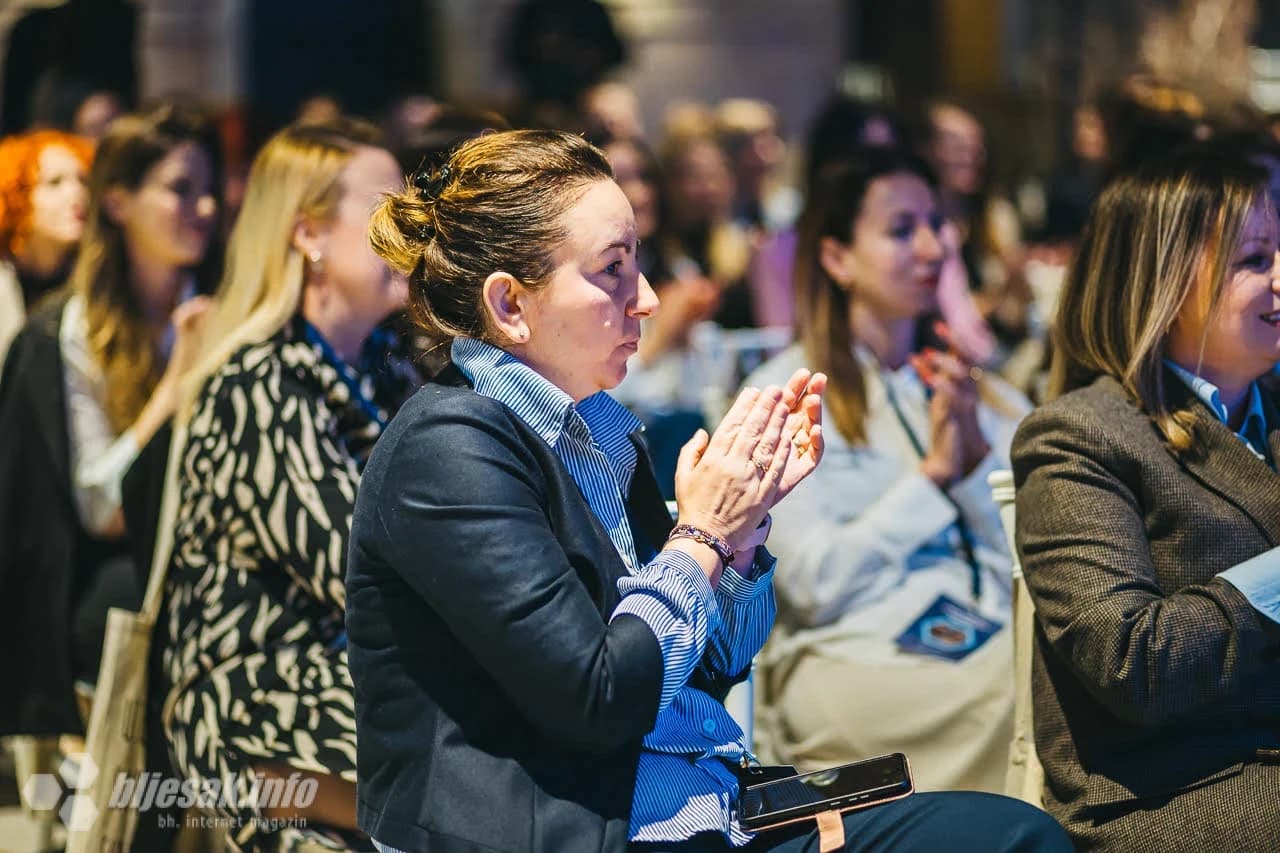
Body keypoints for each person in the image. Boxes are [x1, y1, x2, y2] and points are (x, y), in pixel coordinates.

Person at [346, 129, 1069, 852]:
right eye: (613, 271)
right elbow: (597, 698)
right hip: (582, 827)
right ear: (508, 305)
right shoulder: (450, 448)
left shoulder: (595, 426)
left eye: (641, 265)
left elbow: (709, 668)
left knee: (1012, 831)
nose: (650, 299)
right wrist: (700, 538)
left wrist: (743, 538)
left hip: (703, 802)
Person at [157, 118, 421, 853]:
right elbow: (359, 576)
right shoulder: (256, 384)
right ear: (307, 234)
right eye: (385, 213)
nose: (412, 233)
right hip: (256, 701)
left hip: (359, 680)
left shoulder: (387, 369)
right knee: (484, 760)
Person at [1011, 142, 1280, 850]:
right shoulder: (1080, 437)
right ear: (1161, 282)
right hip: (1179, 788)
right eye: (1256, 259)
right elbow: (1130, 663)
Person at [746, 148, 1029, 793]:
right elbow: (813, 589)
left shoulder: (978, 392)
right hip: (854, 656)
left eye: (937, 224)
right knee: (1023, 695)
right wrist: (931, 480)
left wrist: (974, 467)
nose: (932, 247)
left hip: (978, 629)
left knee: (1048, 670)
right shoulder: (790, 397)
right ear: (838, 256)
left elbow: (1033, 552)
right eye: (902, 230)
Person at [0, 101, 220, 736]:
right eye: (181, 189)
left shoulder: (216, 305)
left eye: (208, 191)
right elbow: (102, 508)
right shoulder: (68, 332)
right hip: (111, 566)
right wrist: (175, 388)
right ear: (119, 202)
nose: (203, 208)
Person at [0, 128, 93, 363]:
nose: (77, 194)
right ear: (16, 196)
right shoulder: (4, 283)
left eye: (83, 180)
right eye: (55, 183)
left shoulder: (94, 278)